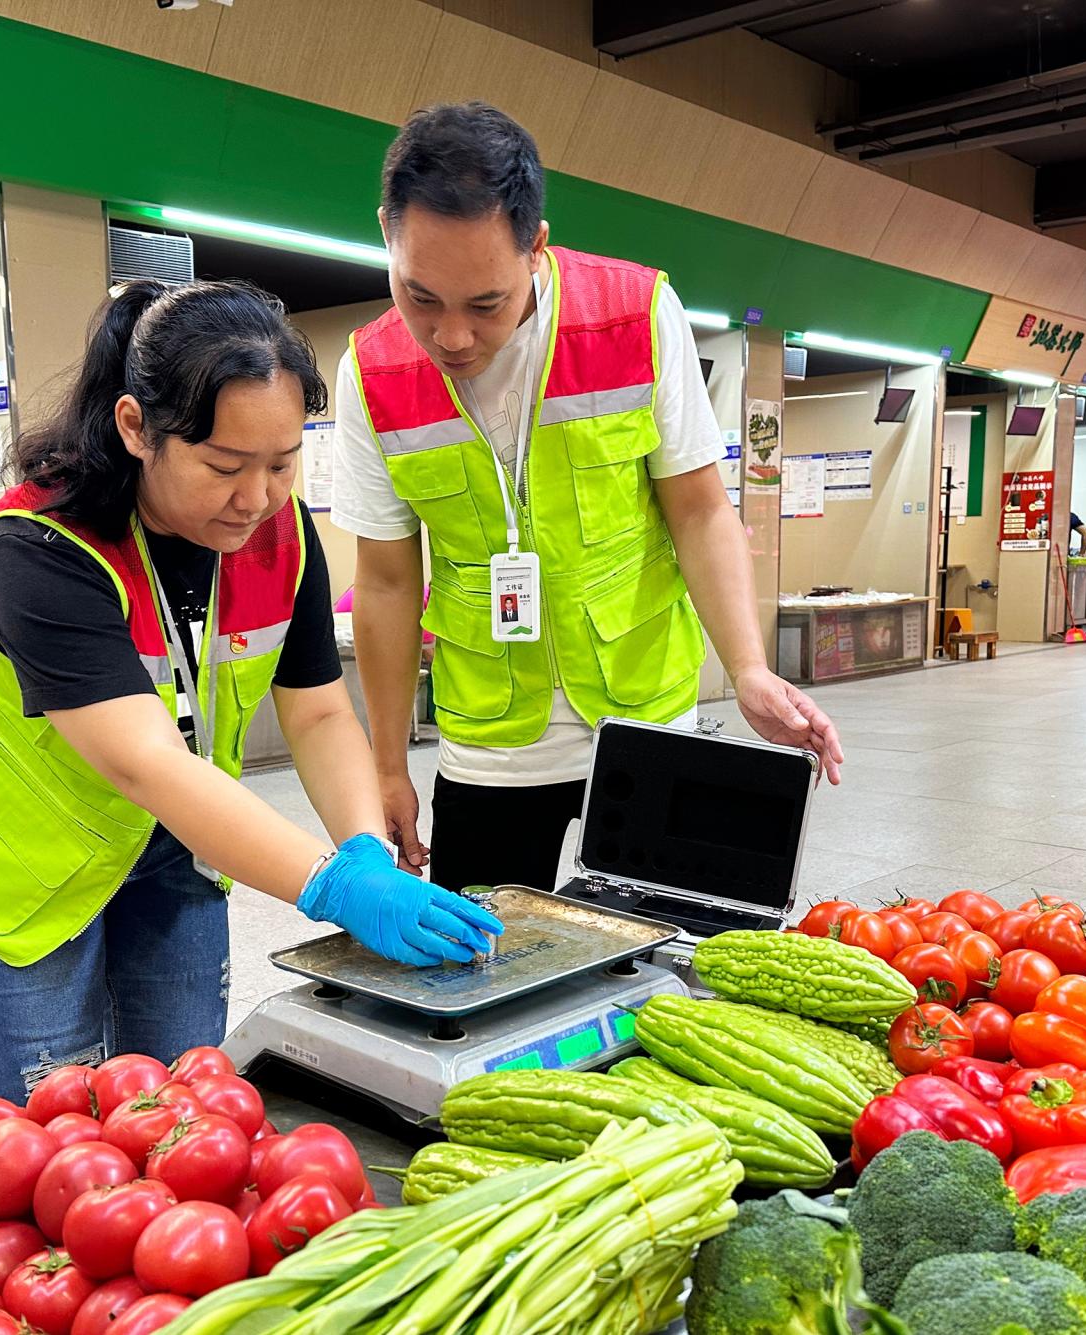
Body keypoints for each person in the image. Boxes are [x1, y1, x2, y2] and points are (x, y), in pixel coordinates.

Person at [0, 279, 501, 1101]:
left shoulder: (277, 535)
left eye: (283, 463)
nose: (256, 498)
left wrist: (363, 845)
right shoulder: (37, 548)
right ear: (136, 429)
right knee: (54, 1135)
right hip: (24, 862)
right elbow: (146, 761)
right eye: (225, 465)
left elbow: (320, 706)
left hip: (178, 846)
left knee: (181, 1108)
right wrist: (328, 883)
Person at [333, 102, 844, 896]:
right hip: (488, 750)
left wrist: (747, 666)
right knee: (484, 982)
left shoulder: (634, 316)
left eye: (486, 304)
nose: (452, 337)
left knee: (655, 982)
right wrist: (387, 767)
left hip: (646, 726)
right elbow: (389, 582)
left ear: (536, 248)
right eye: (421, 295)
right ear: (386, 235)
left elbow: (701, 509)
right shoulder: (372, 373)